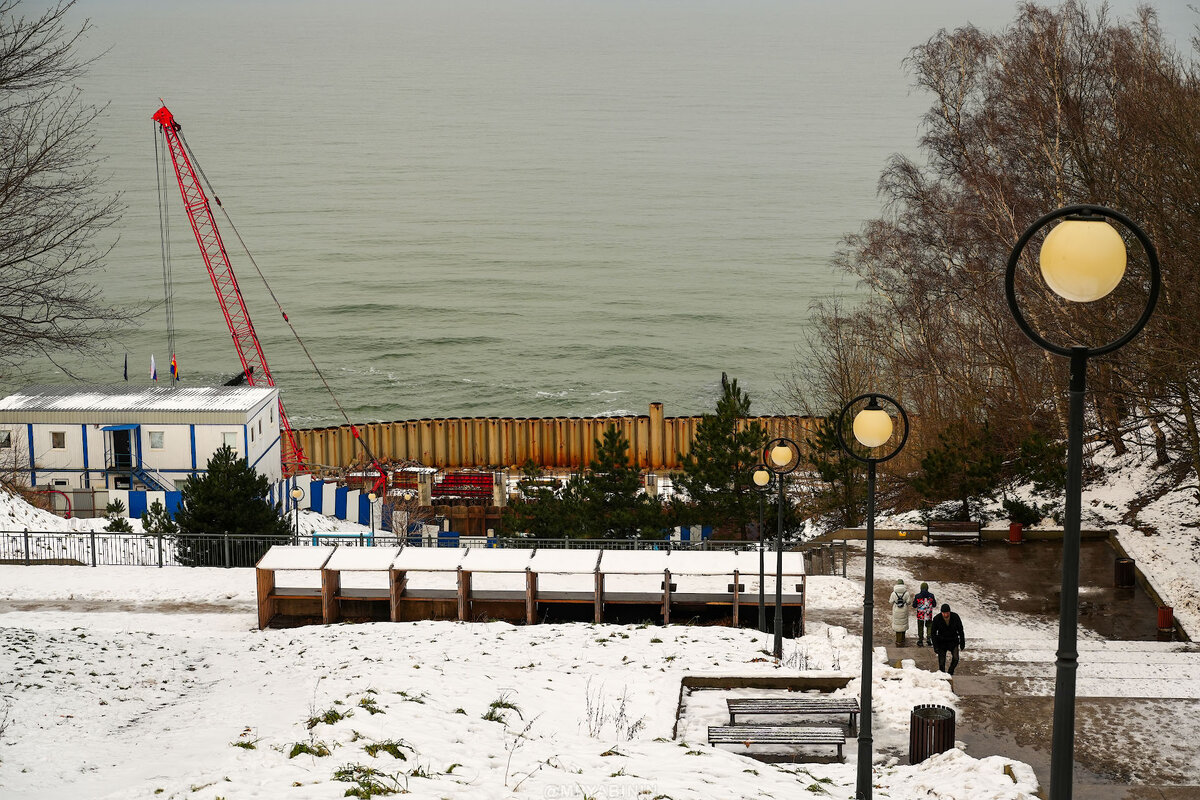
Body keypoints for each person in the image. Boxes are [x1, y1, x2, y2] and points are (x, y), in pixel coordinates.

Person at [930, 603, 966, 675]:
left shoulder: (955, 617)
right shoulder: (937, 618)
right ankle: (942, 675)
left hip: (953, 641)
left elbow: (960, 630)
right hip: (942, 642)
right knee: (941, 663)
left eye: (947, 613)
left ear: (949, 612)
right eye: (944, 613)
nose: (945, 615)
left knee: (956, 658)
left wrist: (962, 642)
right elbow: (933, 633)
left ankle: (950, 672)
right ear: (941, 612)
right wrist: (935, 646)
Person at [913, 582, 937, 646]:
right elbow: (934, 604)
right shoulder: (931, 596)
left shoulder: (917, 596)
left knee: (920, 626)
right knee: (929, 626)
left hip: (920, 615)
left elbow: (914, 605)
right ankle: (929, 638)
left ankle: (920, 640)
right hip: (928, 614)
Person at [889, 579, 912, 646]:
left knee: (897, 625)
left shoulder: (893, 593)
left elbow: (890, 602)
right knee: (903, 624)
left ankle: (898, 641)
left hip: (896, 610)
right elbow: (909, 602)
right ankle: (903, 640)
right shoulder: (906, 593)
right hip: (904, 610)